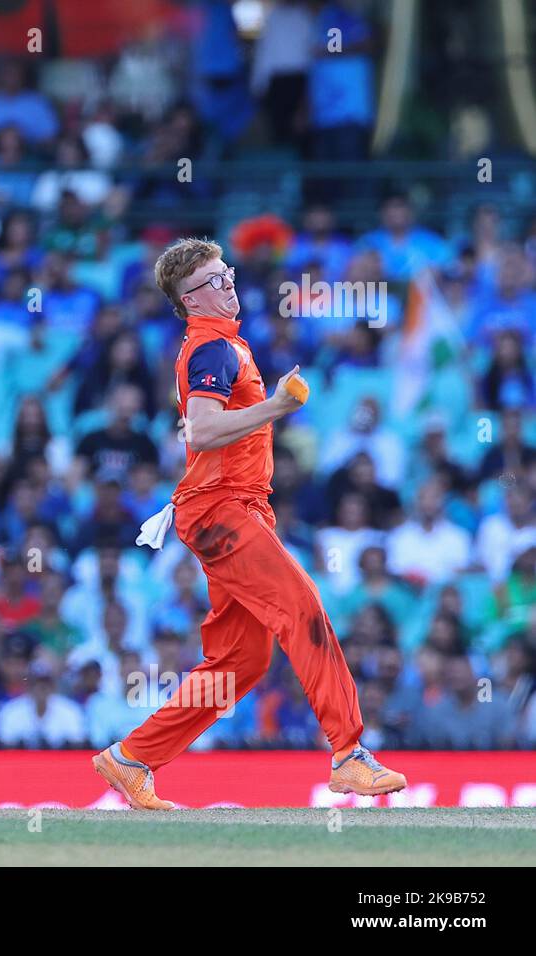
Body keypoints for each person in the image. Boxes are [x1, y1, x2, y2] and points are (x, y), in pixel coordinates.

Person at [91, 237, 407, 810]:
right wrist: (279, 408)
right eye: (215, 279)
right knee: (303, 606)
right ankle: (348, 753)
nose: (229, 282)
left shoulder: (219, 345)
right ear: (190, 298)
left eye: (227, 271)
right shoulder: (210, 349)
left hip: (230, 506)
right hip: (222, 510)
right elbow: (203, 431)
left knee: (242, 661)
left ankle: (133, 757)